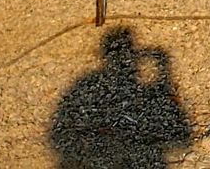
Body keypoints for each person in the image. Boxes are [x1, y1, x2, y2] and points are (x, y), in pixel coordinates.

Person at [49, 26, 192, 168]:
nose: (122, 60)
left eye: (126, 54)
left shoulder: (146, 93)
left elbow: (180, 137)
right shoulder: (90, 87)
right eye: (118, 54)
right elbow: (60, 136)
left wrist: (164, 80)